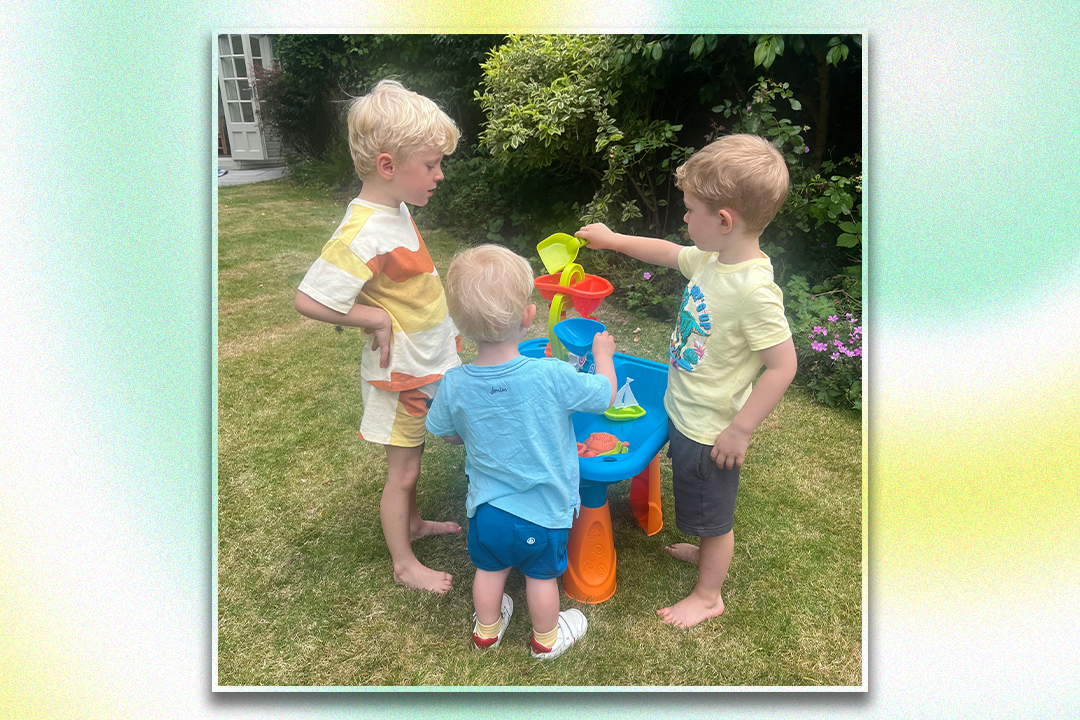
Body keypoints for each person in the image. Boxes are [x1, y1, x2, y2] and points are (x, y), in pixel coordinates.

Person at [575, 134, 798, 628]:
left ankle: (708, 593)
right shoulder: (713, 260)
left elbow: (784, 366)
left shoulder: (754, 291)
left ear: (724, 221)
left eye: (690, 209)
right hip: (687, 411)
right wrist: (612, 239)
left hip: (711, 431)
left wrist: (739, 430)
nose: (684, 218)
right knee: (697, 505)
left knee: (713, 519)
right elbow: (664, 251)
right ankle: (705, 555)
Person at [293, 80, 463, 595]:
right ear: (388, 166)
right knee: (403, 473)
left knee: (414, 460)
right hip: (399, 377)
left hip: (424, 362)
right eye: (430, 165)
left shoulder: (394, 209)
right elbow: (311, 299)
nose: (439, 174)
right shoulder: (363, 230)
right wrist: (374, 318)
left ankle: (412, 525)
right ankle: (404, 564)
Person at [425, 244, 617, 659]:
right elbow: (603, 396)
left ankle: (487, 632)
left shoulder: (454, 382)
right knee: (541, 577)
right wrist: (603, 356)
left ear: (459, 325)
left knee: (489, 570)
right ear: (529, 317)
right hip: (544, 511)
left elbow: (442, 430)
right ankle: (546, 641)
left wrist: (465, 436)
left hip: (487, 511)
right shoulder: (551, 373)